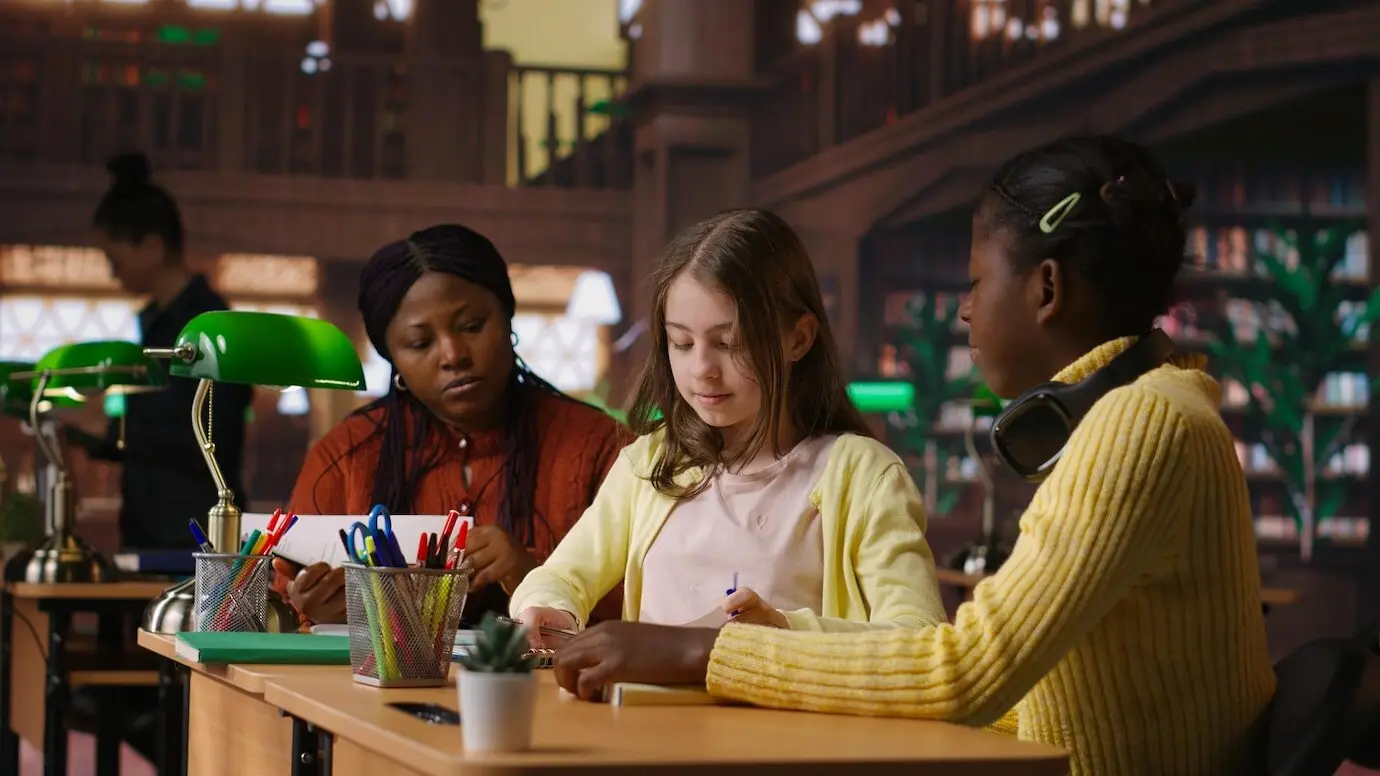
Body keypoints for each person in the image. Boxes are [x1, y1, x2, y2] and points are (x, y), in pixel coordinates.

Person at [548, 137, 1277, 776]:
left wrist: (699, 653)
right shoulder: (1149, 411)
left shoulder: (1142, 421)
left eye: (976, 281)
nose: (964, 310)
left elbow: (962, 672)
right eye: (682, 342)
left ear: (1046, 287)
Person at [509, 208, 947, 642]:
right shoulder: (651, 463)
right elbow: (561, 577)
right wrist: (550, 609)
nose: (702, 368)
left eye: (728, 343)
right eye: (681, 343)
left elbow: (919, 639)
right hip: (647, 712)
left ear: (799, 338)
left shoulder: (863, 477)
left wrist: (783, 629)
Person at [273, 224, 629, 627]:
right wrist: (311, 615)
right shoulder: (344, 456)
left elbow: (649, 604)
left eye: (472, 326)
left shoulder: (601, 447)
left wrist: (537, 576)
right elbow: (280, 601)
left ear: (507, 318)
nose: (454, 355)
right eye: (421, 343)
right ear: (394, 360)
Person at [66, 152, 253, 549]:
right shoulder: (157, 324)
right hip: (151, 529)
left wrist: (111, 431)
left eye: (113, 259)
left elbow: (211, 438)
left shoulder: (210, 324)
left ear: (151, 246)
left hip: (194, 536)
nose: (112, 272)